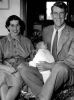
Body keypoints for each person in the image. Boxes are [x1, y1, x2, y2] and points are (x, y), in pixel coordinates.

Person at [35, 1, 74, 100]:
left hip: (66, 71)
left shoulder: (73, 33)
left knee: (59, 67)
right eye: (55, 13)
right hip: (47, 71)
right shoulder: (46, 30)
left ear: (66, 15)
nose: (58, 16)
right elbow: (43, 51)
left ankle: (43, 97)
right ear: (51, 15)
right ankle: (48, 92)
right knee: (23, 68)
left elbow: (71, 61)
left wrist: (49, 66)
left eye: (61, 13)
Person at [0, 15, 35, 100]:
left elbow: (34, 61)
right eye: (12, 25)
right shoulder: (2, 42)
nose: (15, 28)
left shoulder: (27, 41)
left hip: (21, 70)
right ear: (8, 27)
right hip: (6, 69)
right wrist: (8, 69)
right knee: (1, 75)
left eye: (17, 25)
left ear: (20, 26)